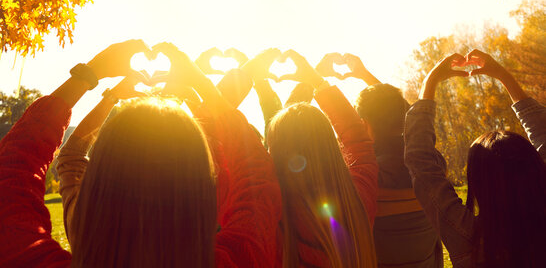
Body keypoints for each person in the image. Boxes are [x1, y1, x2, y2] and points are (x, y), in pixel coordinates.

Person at [0, 40, 281, 268]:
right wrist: (202, 84)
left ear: (100, 185)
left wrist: (90, 75)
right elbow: (256, 179)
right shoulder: (241, 258)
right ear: (204, 190)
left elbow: (12, 174)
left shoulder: (33, 257)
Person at [404, 49, 546, 268]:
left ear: (479, 181)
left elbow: (421, 164)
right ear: (535, 168)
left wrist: (429, 83)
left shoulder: (468, 235)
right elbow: (542, 133)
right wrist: (502, 76)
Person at [266, 50, 379, 268]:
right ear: (331, 145)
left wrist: (244, 77)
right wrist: (316, 80)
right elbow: (358, 143)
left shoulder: (271, 218)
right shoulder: (357, 201)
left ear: (275, 154)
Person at [343, 53, 442, 267]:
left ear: (364, 125)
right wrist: (365, 75)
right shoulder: (430, 164)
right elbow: (410, 120)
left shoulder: (366, 174)